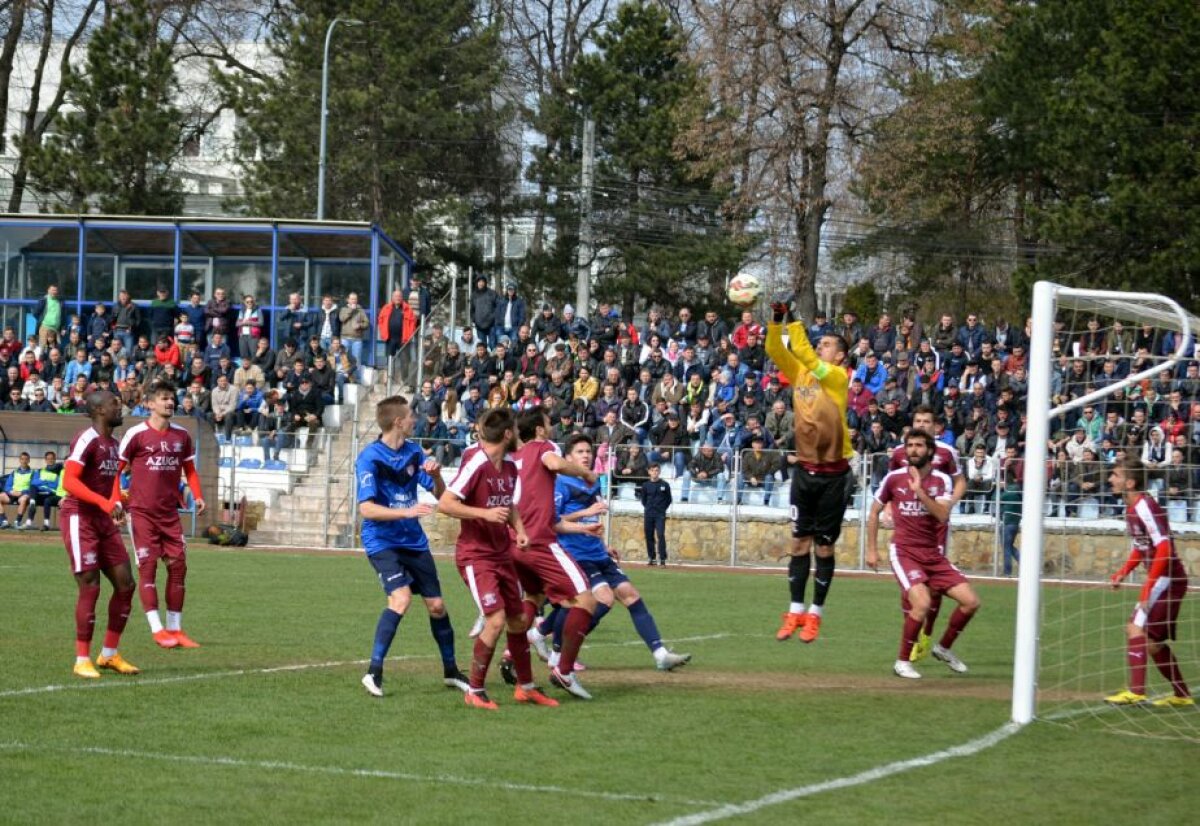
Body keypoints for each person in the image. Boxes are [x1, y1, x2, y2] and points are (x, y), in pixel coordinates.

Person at [354, 395, 470, 698]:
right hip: (382, 541)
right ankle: (373, 673)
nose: (414, 419)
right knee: (401, 598)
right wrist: (406, 512)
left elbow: (442, 495)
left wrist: (436, 476)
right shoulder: (369, 458)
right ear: (397, 422)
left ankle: (451, 672)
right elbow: (366, 509)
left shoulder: (414, 451)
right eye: (410, 415)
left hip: (413, 541)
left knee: (437, 606)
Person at [437, 407, 550, 711]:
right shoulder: (477, 463)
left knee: (518, 620)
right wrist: (483, 513)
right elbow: (445, 503)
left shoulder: (510, 467)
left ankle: (525, 687)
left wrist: (521, 531)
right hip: (476, 556)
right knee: (496, 620)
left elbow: (509, 505)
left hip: (501, 554)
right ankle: (474, 690)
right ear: (508, 434)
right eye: (516, 429)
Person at [554, 433, 691, 672]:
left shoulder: (592, 481)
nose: (586, 455)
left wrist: (603, 544)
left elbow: (593, 517)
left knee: (630, 594)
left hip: (597, 553)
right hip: (577, 555)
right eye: (580, 452)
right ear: (567, 457)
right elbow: (553, 520)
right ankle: (558, 648)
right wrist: (585, 514)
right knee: (603, 599)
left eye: (588, 451)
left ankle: (660, 653)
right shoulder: (561, 483)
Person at [766, 307, 855, 644]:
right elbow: (776, 350)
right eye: (821, 343)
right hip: (805, 471)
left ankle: (815, 614)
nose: (821, 347)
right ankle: (794, 611)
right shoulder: (802, 372)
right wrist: (775, 323)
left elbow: (801, 348)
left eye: (828, 344)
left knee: (825, 548)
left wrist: (792, 320)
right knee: (799, 542)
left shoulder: (837, 377)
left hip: (834, 475)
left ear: (841, 356)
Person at [501, 407, 601, 700]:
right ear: (540, 430)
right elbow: (555, 462)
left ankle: (511, 653)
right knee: (586, 600)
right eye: (549, 422)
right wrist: (585, 472)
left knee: (534, 597)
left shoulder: (515, 458)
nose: (552, 426)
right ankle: (564, 670)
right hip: (539, 543)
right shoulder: (542, 448)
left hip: (514, 543)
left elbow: (545, 512)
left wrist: (582, 530)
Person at [866, 430, 980, 679]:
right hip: (905, 551)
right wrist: (872, 549)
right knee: (923, 603)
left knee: (971, 602)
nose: (913, 450)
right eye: (910, 446)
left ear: (929, 451)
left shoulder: (942, 480)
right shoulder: (894, 478)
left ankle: (943, 648)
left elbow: (941, 514)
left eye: (919, 446)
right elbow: (873, 512)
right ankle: (902, 662)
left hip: (933, 554)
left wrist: (919, 492)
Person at [118, 380, 207, 649]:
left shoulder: (181, 436)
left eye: (172, 398)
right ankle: (157, 630)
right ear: (149, 403)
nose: (170, 402)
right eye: (164, 398)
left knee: (178, 567)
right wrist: (114, 501)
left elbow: (189, 470)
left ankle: (175, 629)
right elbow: (118, 469)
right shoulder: (135, 434)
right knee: (148, 568)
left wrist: (198, 494)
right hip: (142, 513)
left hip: (169, 513)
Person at [59, 390, 139, 678]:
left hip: (103, 520)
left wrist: (118, 501)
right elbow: (69, 481)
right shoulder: (86, 439)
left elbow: (111, 484)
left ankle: (109, 654)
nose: (120, 407)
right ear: (99, 410)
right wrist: (106, 503)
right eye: (114, 404)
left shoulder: (114, 444)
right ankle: (82, 659)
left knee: (126, 584)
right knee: (90, 585)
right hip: (79, 517)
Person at [1104, 456, 1192, 706]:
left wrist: (1147, 589)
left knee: (1135, 629)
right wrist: (1123, 571)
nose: (1111, 479)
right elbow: (1142, 547)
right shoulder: (1132, 508)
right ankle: (1182, 695)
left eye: (1116, 475)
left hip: (1168, 578)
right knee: (1152, 644)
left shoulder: (1144, 506)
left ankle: (1137, 692)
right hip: (1164, 578)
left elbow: (1164, 546)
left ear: (1130, 482)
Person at [885, 405, 968, 661]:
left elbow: (960, 480)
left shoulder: (947, 452)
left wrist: (949, 503)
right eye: (918, 420)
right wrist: (889, 508)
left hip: (936, 526)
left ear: (936, 426)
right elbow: (891, 482)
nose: (922, 424)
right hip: (908, 522)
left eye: (926, 421)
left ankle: (926, 633)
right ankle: (914, 632)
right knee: (911, 583)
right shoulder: (901, 452)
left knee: (934, 584)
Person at [639, 462, 672, 565]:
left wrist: (662, 509)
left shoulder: (665, 485)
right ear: (649, 472)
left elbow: (669, 499)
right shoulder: (645, 485)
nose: (655, 472)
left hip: (660, 515)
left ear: (659, 471)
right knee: (649, 535)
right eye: (652, 470)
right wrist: (648, 508)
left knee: (660, 535)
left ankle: (662, 558)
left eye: (656, 470)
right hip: (648, 514)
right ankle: (651, 557)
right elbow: (643, 500)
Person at [30, 450, 64, 531]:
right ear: (45, 460)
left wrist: (43, 481)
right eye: (48, 459)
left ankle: (46, 524)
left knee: (47, 500)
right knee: (33, 491)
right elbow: (34, 482)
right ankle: (29, 521)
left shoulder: (59, 471)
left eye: (52, 459)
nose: (50, 460)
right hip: (42, 492)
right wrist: (45, 480)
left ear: (55, 459)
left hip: (54, 493)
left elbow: (56, 485)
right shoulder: (40, 470)